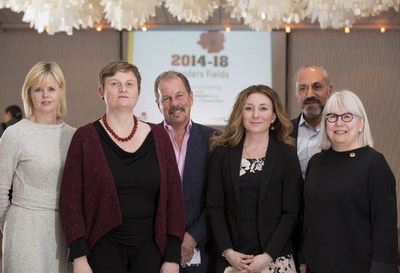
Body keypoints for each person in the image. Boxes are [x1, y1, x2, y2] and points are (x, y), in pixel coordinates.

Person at [59, 60, 185, 273]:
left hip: (152, 251)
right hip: (100, 251)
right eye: (114, 84)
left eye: (129, 84)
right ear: (101, 91)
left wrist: (172, 256)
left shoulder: (160, 137)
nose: (123, 89)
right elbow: (70, 202)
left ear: (139, 91)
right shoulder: (85, 137)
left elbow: (174, 199)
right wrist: (79, 256)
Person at [207, 85, 302, 273]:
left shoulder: (287, 155)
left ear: (274, 116)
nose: (255, 115)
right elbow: (214, 207)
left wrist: (267, 256)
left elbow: (291, 212)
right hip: (233, 260)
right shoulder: (222, 153)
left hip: (275, 259)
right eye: (249, 108)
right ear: (240, 113)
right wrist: (227, 252)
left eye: (263, 108)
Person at [302, 90, 398, 273]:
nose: (339, 123)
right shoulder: (316, 162)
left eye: (347, 116)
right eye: (332, 117)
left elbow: (384, 227)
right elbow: (308, 219)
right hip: (317, 267)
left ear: (361, 123)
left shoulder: (375, 164)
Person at [0, 61, 75, 272]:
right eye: (38, 89)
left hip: (62, 231)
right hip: (24, 229)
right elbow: (0, 190)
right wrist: (13, 227)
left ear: (61, 91)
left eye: (51, 88)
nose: (45, 95)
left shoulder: (73, 136)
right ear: (29, 94)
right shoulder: (15, 134)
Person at [154, 71, 217, 273]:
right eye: (166, 98)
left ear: (191, 97)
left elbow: (219, 199)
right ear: (158, 104)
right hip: (156, 252)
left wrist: (194, 236)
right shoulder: (146, 140)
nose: (174, 104)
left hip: (204, 252)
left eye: (179, 95)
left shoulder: (215, 141)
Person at [290, 65, 332, 178]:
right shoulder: (283, 132)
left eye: (317, 87)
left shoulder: (341, 131)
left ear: (329, 90)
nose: (309, 94)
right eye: (302, 88)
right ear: (296, 93)